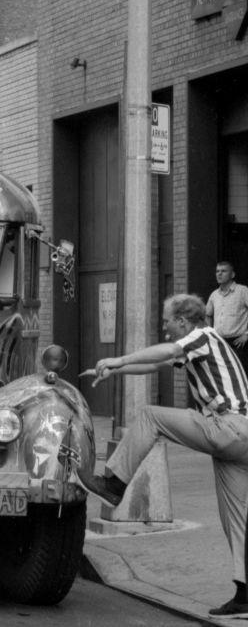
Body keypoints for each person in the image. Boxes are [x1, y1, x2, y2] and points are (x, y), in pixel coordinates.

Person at [78, 293, 248, 617]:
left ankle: (113, 485)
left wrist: (119, 359)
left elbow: (169, 350)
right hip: (241, 440)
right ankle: (244, 594)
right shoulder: (200, 345)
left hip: (230, 428)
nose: (164, 326)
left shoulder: (203, 335)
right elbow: (158, 363)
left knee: (150, 416)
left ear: (184, 321)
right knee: (236, 521)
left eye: (168, 321)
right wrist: (115, 370)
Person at [207, 260, 248, 371]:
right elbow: (208, 315)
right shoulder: (214, 295)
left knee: (241, 377)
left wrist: (247, 334)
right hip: (220, 343)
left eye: (224, 271)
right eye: (217, 271)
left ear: (232, 274)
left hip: (238, 344)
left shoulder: (243, 291)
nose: (219, 274)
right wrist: (210, 334)